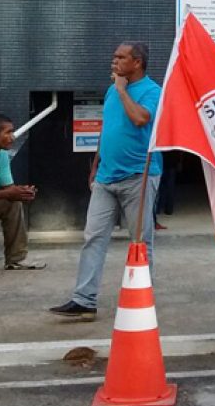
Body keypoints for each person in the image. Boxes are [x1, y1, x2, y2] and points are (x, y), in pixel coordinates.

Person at [50, 42, 162, 321]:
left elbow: (140, 119)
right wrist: (96, 164)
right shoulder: (112, 90)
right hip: (105, 176)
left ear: (136, 62)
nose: (113, 61)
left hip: (140, 175)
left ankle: (142, 299)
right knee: (93, 236)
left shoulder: (153, 91)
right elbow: (108, 129)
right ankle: (84, 299)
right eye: (114, 56)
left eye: (120, 57)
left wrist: (123, 90)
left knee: (140, 240)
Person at [0, 113, 44, 284]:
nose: (12, 136)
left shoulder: (1, 156)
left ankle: (16, 259)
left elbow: (8, 190)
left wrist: (21, 192)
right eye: (8, 132)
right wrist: (7, 193)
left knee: (13, 203)